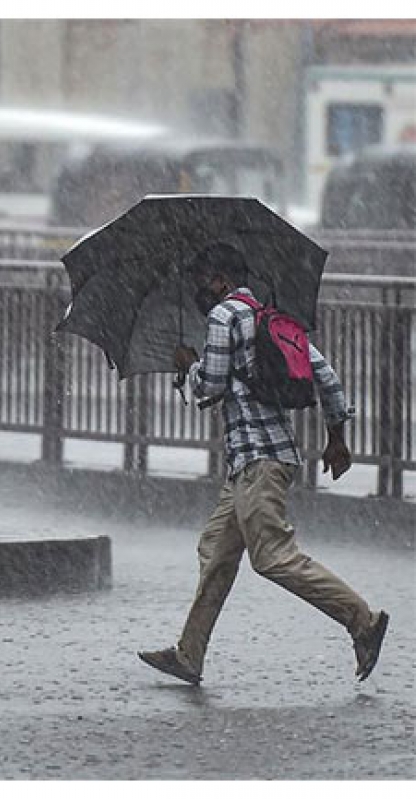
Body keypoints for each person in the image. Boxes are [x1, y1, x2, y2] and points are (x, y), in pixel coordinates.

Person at [138, 243, 389, 686]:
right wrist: (337, 438)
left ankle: (363, 621)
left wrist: (188, 367)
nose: (198, 289)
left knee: (273, 557)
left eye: (201, 280)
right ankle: (189, 655)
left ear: (220, 280)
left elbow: (209, 389)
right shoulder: (269, 317)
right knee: (215, 552)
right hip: (264, 459)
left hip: (257, 461)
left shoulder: (221, 317)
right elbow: (325, 377)